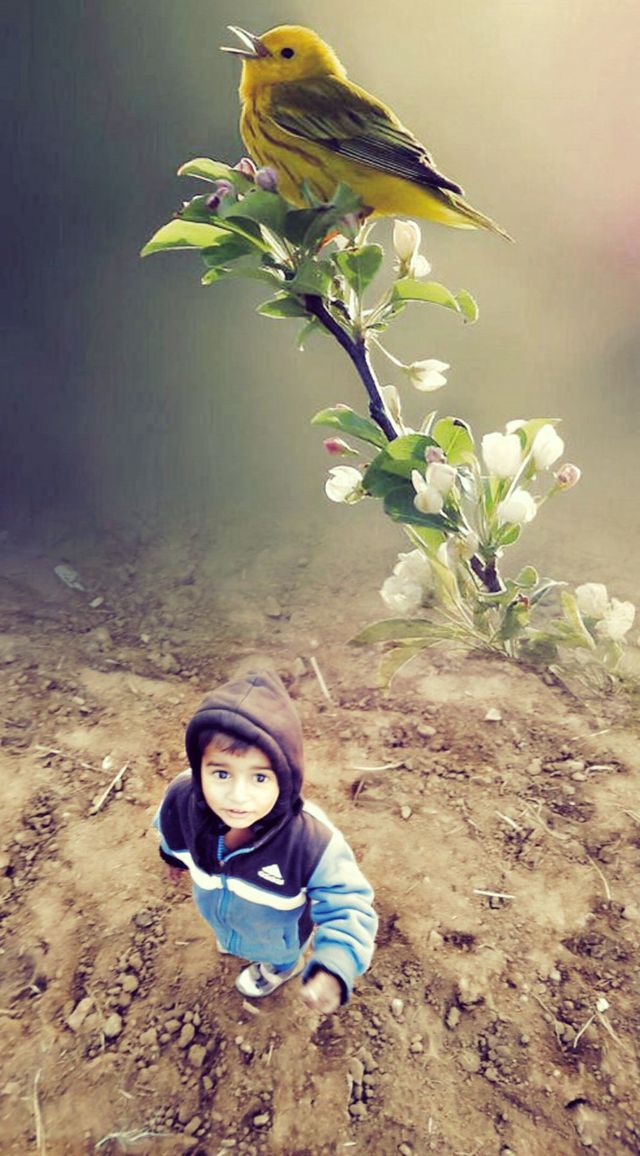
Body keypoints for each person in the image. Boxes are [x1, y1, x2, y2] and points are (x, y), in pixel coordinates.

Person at [153, 669, 377, 1013]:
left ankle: (281, 967)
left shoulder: (310, 842)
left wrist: (336, 964)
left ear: (287, 778)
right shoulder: (181, 800)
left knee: (279, 953)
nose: (238, 796)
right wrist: (171, 858)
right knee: (230, 934)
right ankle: (233, 939)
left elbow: (348, 904)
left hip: (279, 939)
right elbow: (170, 831)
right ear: (199, 768)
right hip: (218, 913)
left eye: (259, 777)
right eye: (221, 773)